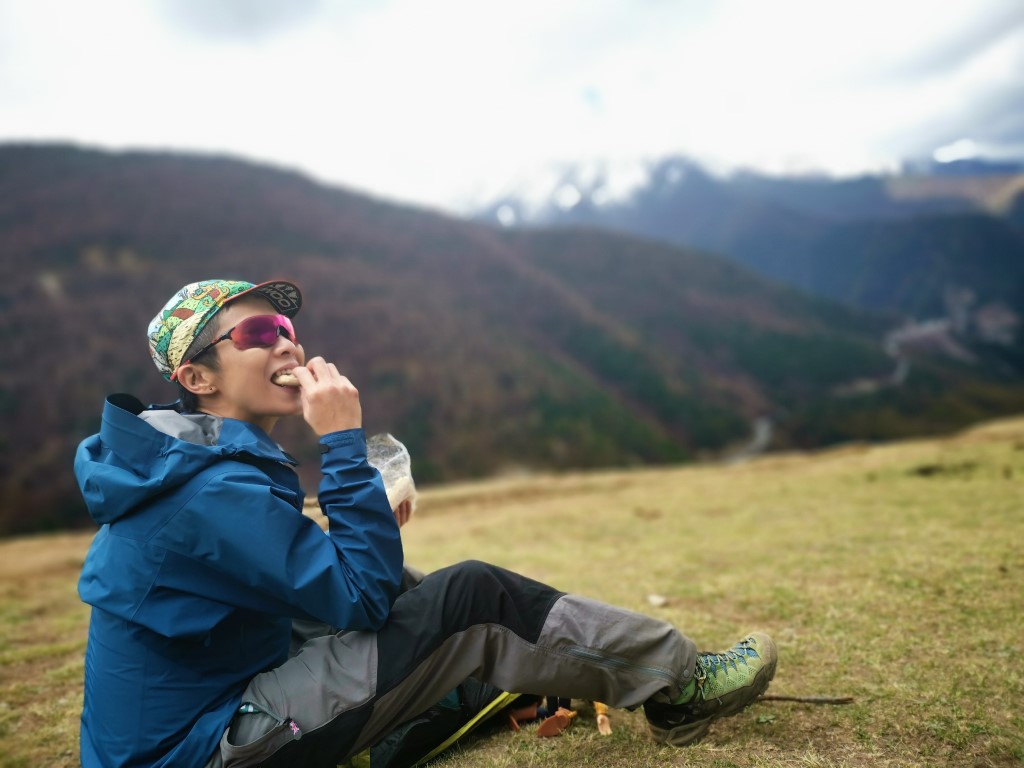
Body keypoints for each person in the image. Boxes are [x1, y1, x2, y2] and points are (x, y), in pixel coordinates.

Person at [75, 278, 779, 768]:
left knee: (415, 590)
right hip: (201, 751)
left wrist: (365, 515)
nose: (288, 346)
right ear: (198, 380)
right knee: (469, 597)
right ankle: (679, 686)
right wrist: (343, 444)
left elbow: (292, 573)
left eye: (286, 328)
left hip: (198, 721)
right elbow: (359, 597)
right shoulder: (205, 488)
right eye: (259, 333)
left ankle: (516, 683)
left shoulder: (187, 463)